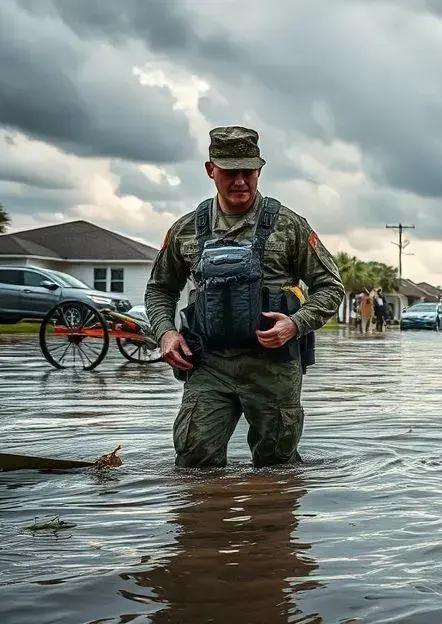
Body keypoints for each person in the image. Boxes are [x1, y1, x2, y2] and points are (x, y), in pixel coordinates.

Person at [146, 126, 344, 468]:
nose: (240, 181)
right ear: (211, 170)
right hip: (208, 363)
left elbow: (330, 287)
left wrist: (295, 325)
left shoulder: (290, 225)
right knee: (194, 461)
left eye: (248, 172)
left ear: (259, 170)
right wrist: (166, 333)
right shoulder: (185, 229)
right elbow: (160, 289)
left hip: (274, 366)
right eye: (229, 172)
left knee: (277, 469)